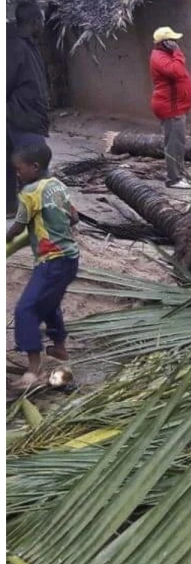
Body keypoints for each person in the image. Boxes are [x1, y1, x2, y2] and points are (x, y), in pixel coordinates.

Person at [6, 141, 79, 394]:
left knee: (26, 309)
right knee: (49, 302)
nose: (17, 173)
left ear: (34, 167)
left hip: (51, 262)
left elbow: (16, 227)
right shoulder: (59, 186)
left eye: (19, 169)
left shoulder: (29, 193)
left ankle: (33, 369)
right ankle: (59, 347)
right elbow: (74, 217)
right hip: (70, 259)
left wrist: (7, 240)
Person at [7, 1, 51, 217]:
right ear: (34, 22)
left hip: (25, 117)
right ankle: (47, 219)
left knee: (11, 164)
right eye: (42, 20)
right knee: (37, 167)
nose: (43, 25)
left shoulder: (27, 46)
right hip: (23, 118)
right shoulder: (15, 47)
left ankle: (9, 208)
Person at [149, 26, 191, 189]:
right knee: (174, 144)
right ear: (165, 43)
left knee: (178, 142)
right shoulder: (159, 57)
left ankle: (179, 175)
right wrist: (177, 52)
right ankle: (174, 179)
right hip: (170, 107)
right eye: (173, 41)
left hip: (175, 106)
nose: (176, 43)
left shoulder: (164, 55)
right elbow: (177, 72)